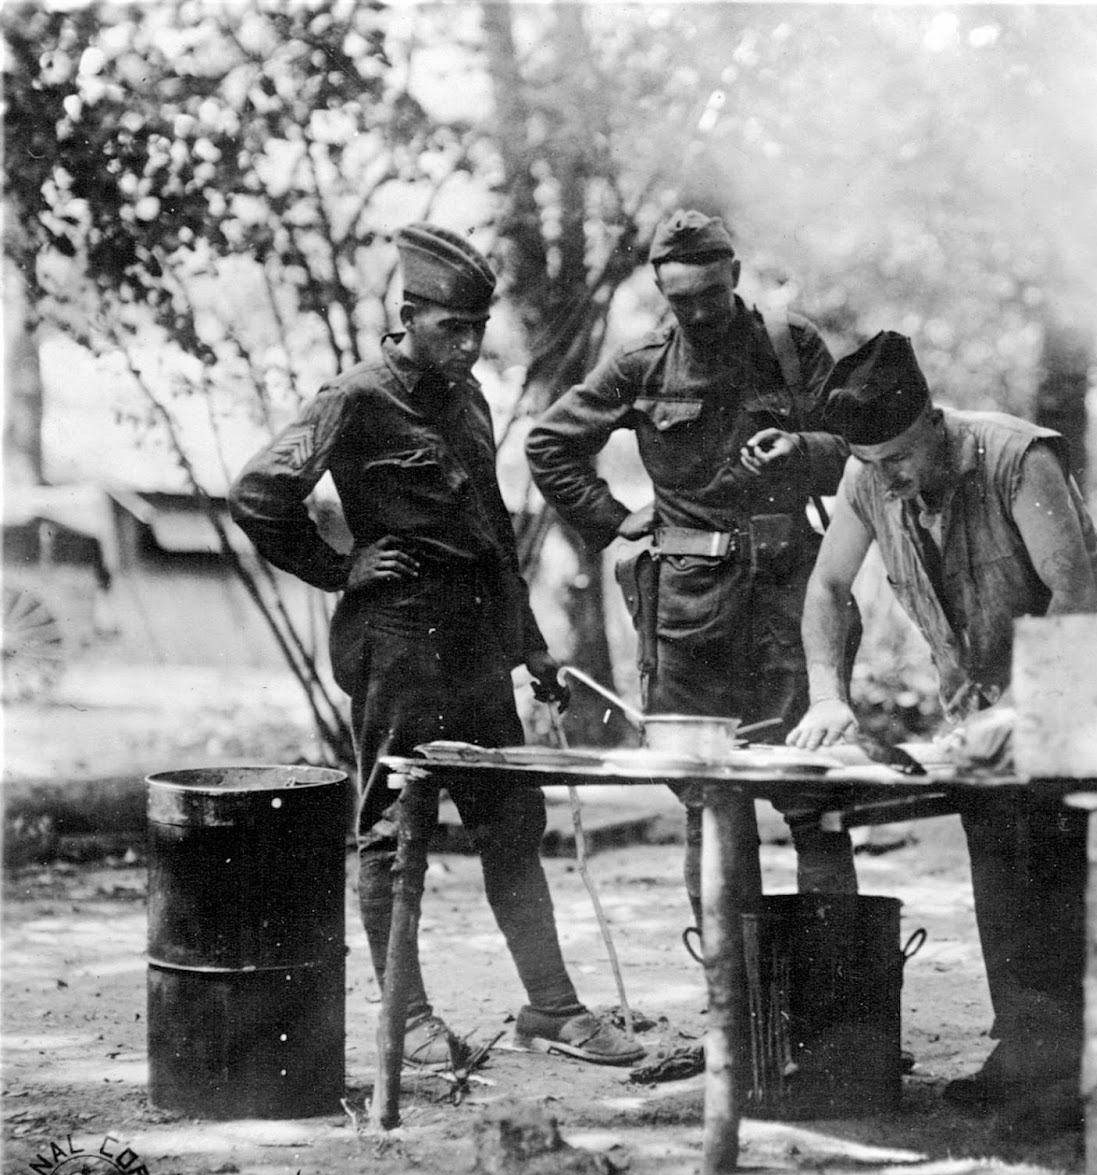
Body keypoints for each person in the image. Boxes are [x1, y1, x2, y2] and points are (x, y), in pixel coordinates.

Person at [228, 223, 643, 1069]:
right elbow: (259, 492)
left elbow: (491, 532)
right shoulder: (355, 398)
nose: (468, 344)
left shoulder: (468, 402)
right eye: (452, 328)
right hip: (399, 645)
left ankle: (552, 1009)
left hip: (476, 649)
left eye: (476, 328)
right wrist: (340, 568)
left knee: (511, 821)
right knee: (393, 825)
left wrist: (530, 646)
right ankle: (409, 1018)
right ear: (409, 315)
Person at [787, 331, 1097, 1116]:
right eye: (874, 464)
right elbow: (826, 589)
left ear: (935, 423)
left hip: (1093, 689)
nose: (891, 479)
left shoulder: (1019, 458)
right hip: (983, 711)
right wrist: (825, 693)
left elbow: (1075, 595)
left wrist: (1019, 712)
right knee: (1001, 876)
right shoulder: (868, 476)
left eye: (902, 459)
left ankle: (1088, 1078)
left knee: (1075, 874)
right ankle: (1027, 1054)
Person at [527, 209, 857, 919]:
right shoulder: (641, 364)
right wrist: (615, 516)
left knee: (815, 797)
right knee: (710, 800)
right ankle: (732, 1002)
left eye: (712, 292)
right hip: (688, 616)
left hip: (785, 606)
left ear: (734, 275)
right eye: (683, 299)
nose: (701, 311)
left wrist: (802, 452)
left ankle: (834, 1005)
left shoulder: (789, 345)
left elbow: (856, 447)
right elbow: (549, 443)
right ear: (660, 292)